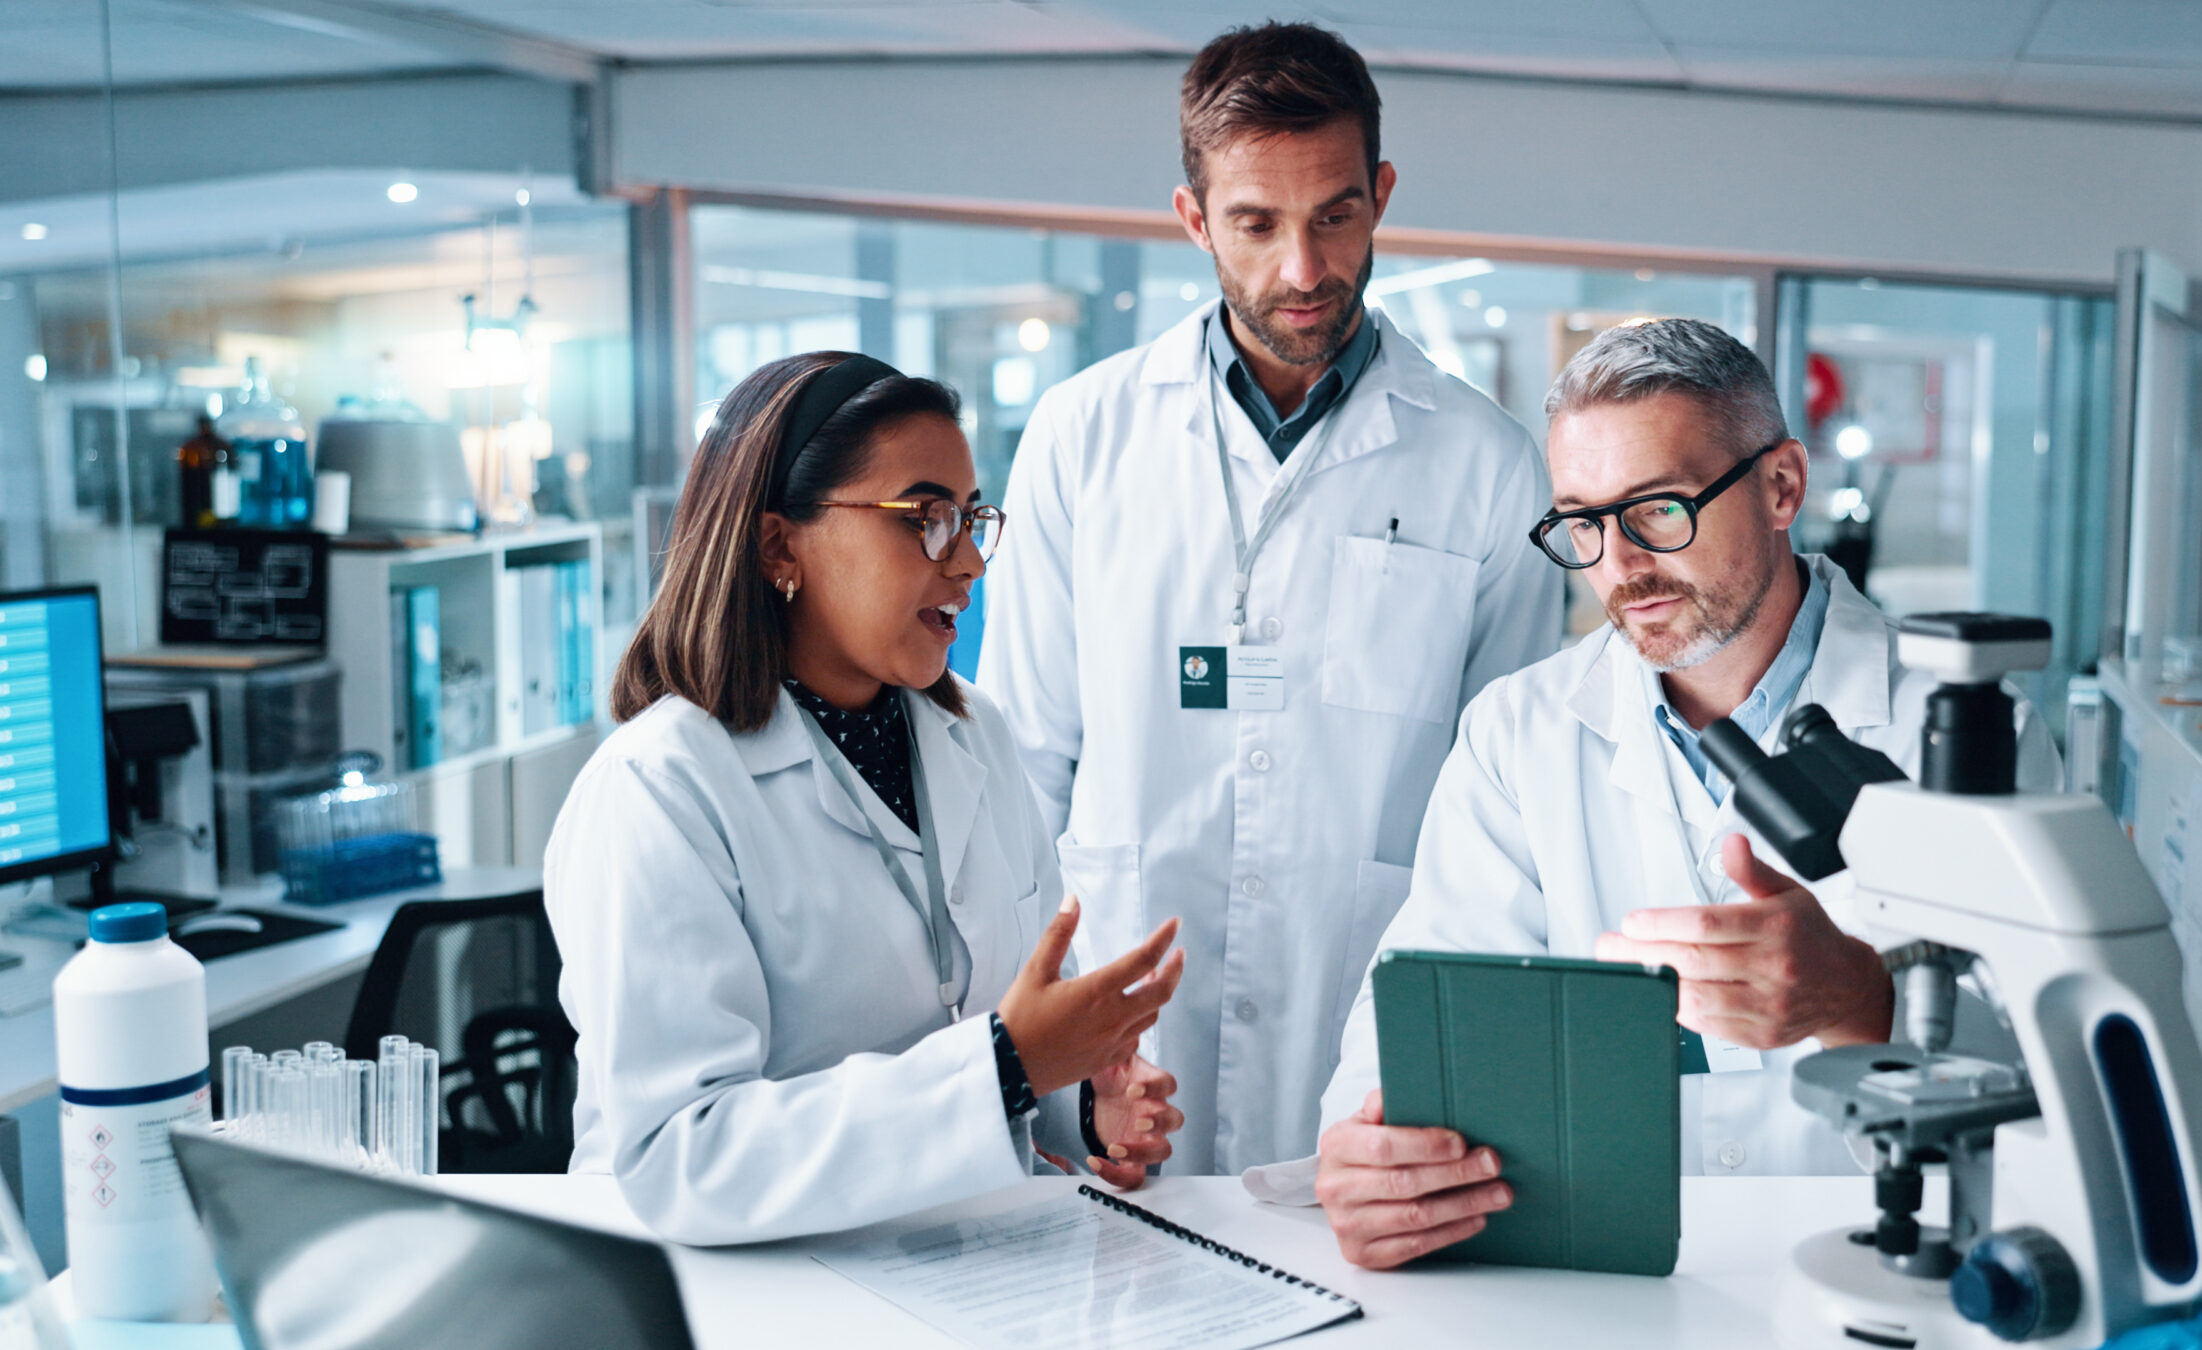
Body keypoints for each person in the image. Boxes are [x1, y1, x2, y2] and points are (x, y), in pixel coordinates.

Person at [1258, 319, 2062, 1268]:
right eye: (1582, 523)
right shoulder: (1519, 735)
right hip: (1605, 1279)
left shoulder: (1972, 736)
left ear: (1781, 487)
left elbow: (2072, 1072)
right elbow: (1426, 1027)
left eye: (1657, 511)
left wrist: (1861, 1000)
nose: (1619, 566)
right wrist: (1375, 1162)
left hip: (1886, 1271)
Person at [978, 22, 1560, 1175]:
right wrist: (1040, 1062)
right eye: (1256, 223)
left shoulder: (1486, 465)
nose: (1303, 269)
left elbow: (1504, 807)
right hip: (1116, 1048)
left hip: (1364, 1038)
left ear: (1380, 195)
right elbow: (1024, 771)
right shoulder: (1083, 436)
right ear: (1194, 218)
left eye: (1335, 215)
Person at [546, 352, 1187, 1245]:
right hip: (729, 1305)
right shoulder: (660, 789)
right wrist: (1008, 1067)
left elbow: (1004, 1038)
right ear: (780, 546)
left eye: (971, 520)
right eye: (925, 518)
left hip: (951, 1275)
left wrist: (1082, 1101)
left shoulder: (975, 739)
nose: (968, 562)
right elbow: (684, 1158)